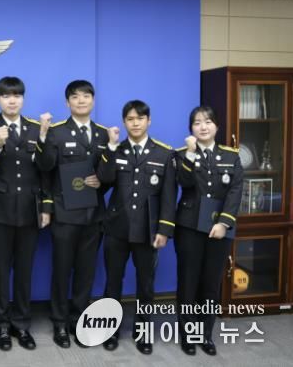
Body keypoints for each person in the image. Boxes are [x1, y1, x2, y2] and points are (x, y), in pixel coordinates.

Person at [0, 76, 52, 351]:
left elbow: (46, 169)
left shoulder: (35, 127)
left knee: (24, 270)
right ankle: (2, 325)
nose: (12, 100)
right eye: (6, 96)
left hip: (30, 210)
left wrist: (46, 207)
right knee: (0, 270)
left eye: (17, 95)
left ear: (23, 99)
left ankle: (21, 324)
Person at [97, 100, 176, 355]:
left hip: (147, 230)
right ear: (124, 122)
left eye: (140, 118)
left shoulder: (164, 153)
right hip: (117, 228)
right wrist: (110, 147)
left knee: (146, 285)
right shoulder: (115, 149)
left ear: (148, 121)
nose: (135, 123)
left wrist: (164, 230)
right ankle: (110, 330)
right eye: (130, 119)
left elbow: (168, 197)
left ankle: (143, 332)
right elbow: (104, 179)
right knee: (112, 283)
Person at [35, 79, 108, 348]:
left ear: (93, 100)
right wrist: (42, 136)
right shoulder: (56, 132)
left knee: (86, 272)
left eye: (86, 96)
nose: (81, 101)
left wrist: (102, 181)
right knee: (62, 270)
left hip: (93, 215)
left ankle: (79, 320)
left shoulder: (103, 135)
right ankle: (59, 322)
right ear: (67, 103)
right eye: (75, 97)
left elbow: (110, 173)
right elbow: (45, 169)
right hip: (65, 214)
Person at [175, 106, 243, 356]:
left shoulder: (231, 156)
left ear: (217, 126)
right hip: (190, 227)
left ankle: (205, 335)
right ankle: (188, 335)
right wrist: (191, 154)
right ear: (190, 128)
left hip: (219, 228)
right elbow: (184, 182)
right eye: (197, 122)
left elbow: (236, 190)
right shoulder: (182, 154)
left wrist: (224, 223)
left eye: (208, 122)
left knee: (211, 284)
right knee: (188, 282)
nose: (203, 127)